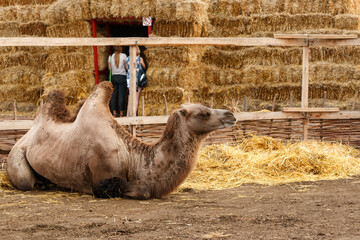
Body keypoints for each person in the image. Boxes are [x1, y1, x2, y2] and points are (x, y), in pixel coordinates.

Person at [125, 46, 146, 115]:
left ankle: (129, 112)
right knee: (136, 97)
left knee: (131, 96)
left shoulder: (127, 59)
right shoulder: (139, 59)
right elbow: (144, 66)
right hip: (137, 79)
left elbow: (126, 67)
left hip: (129, 79)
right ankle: (134, 113)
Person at [108, 46, 127, 117]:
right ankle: (121, 113)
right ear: (121, 49)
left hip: (114, 77)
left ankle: (114, 112)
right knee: (121, 94)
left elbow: (110, 68)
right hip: (122, 76)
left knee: (114, 95)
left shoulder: (110, 57)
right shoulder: (124, 55)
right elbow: (126, 67)